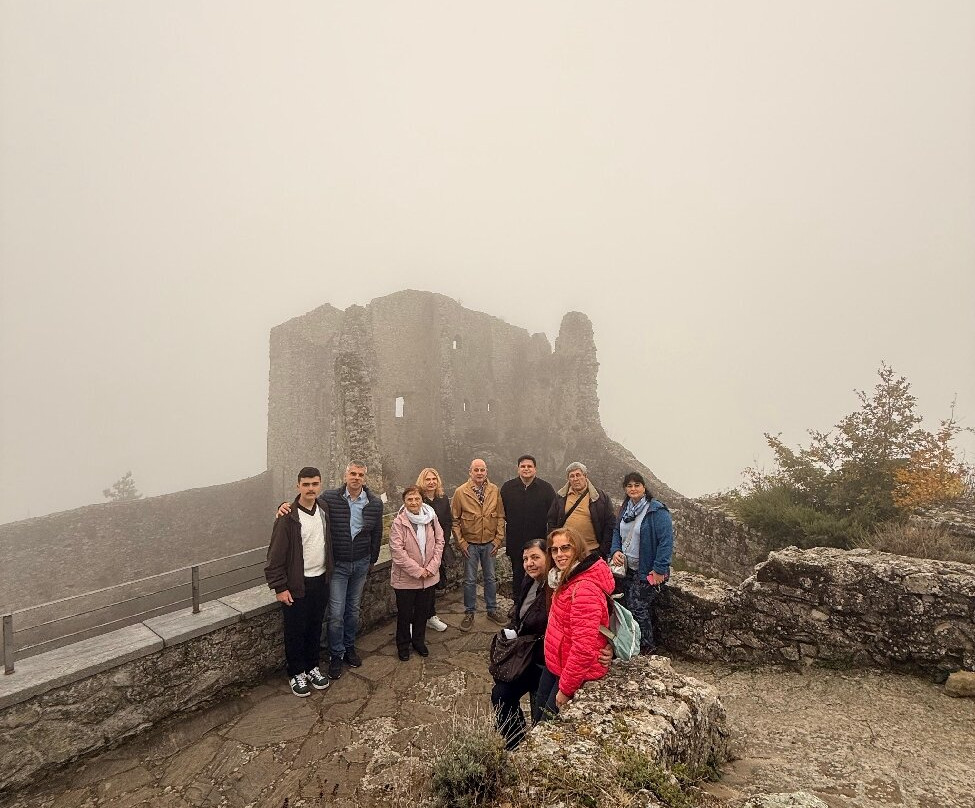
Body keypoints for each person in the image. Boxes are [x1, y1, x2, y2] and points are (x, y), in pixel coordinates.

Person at [277, 461, 383, 680]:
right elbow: (303, 505)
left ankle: (348, 648)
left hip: (360, 564)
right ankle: (336, 655)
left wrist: (372, 559)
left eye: (360, 474)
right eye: (352, 473)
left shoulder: (373, 502)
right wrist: (282, 505)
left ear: (365, 478)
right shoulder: (330, 500)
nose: (356, 477)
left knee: (352, 610)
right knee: (335, 614)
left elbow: (377, 532)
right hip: (339, 567)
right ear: (345, 476)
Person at [264, 467, 332, 697]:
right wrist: (280, 587)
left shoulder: (324, 509)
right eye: (306, 484)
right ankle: (296, 673)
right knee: (295, 630)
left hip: (321, 581)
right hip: (296, 585)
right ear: (298, 487)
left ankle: (312, 667)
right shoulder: (287, 517)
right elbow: (274, 556)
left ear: (320, 485)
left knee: (314, 627)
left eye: (314, 484)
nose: (311, 488)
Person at [534, 527, 613, 721]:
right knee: (538, 718)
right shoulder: (564, 578)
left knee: (548, 726)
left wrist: (566, 689)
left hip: (572, 671)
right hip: (557, 663)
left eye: (565, 548)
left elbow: (583, 648)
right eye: (555, 550)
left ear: (577, 549)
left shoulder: (583, 588)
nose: (559, 554)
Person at [490, 538, 549, 749]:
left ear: (548, 557)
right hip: (526, 653)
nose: (529, 563)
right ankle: (514, 739)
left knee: (543, 716)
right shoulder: (529, 581)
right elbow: (520, 614)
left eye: (535, 557)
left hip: (544, 661)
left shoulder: (554, 589)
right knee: (500, 694)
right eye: (525, 559)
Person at [609, 472, 673, 655]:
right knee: (627, 606)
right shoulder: (625, 509)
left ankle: (647, 649)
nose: (633, 489)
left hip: (648, 570)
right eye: (629, 486)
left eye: (637, 485)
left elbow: (666, 541)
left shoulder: (656, 511)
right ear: (625, 489)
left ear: (644, 487)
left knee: (638, 607)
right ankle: (632, 643)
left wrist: (659, 569)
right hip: (627, 569)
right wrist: (615, 551)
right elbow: (616, 532)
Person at [389, 486, 445, 661]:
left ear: (422, 500)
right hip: (405, 579)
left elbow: (439, 541)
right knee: (405, 615)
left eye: (417, 499)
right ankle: (403, 645)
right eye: (409, 500)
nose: (414, 502)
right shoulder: (399, 522)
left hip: (428, 577)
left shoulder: (431, 518)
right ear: (404, 502)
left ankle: (419, 642)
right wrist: (418, 571)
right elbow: (397, 551)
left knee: (422, 612)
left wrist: (432, 568)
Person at [451, 458, 507, 631]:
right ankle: (469, 613)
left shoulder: (494, 490)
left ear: (486, 471)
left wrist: (498, 540)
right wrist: (461, 543)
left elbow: (500, 516)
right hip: (470, 544)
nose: (480, 473)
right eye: (476, 470)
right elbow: (455, 520)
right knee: (469, 580)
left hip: (490, 543)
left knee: (490, 578)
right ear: (470, 472)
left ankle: (492, 610)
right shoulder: (460, 492)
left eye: (482, 470)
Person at [499, 455, 556, 596]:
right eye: (523, 466)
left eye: (529, 466)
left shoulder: (546, 489)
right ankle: (518, 605)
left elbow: (554, 515)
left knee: (539, 575)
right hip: (516, 543)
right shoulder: (507, 488)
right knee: (518, 575)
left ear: (535, 469)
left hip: (539, 543)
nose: (526, 469)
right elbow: (501, 513)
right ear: (518, 469)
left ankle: (537, 607)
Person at [546, 461, 615, 558]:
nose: (575, 479)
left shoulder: (600, 497)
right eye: (572, 476)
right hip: (566, 550)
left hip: (592, 550)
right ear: (568, 479)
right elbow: (552, 520)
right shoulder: (561, 496)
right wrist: (554, 543)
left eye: (578, 475)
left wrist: (603, 550)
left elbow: (610, 523)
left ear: (585, 476)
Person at [417, 467, 453, 632]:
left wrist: (442, 544)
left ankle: (431, 615)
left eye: (434, 479)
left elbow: (447, 522)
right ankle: (415, 619)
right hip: (419, 550)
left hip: (437, 549)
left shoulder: (443, 499)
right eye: (427, 479)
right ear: (422, 481)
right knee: (417, 586)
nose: (431, 482)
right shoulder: (417, 499)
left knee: (431, 585)